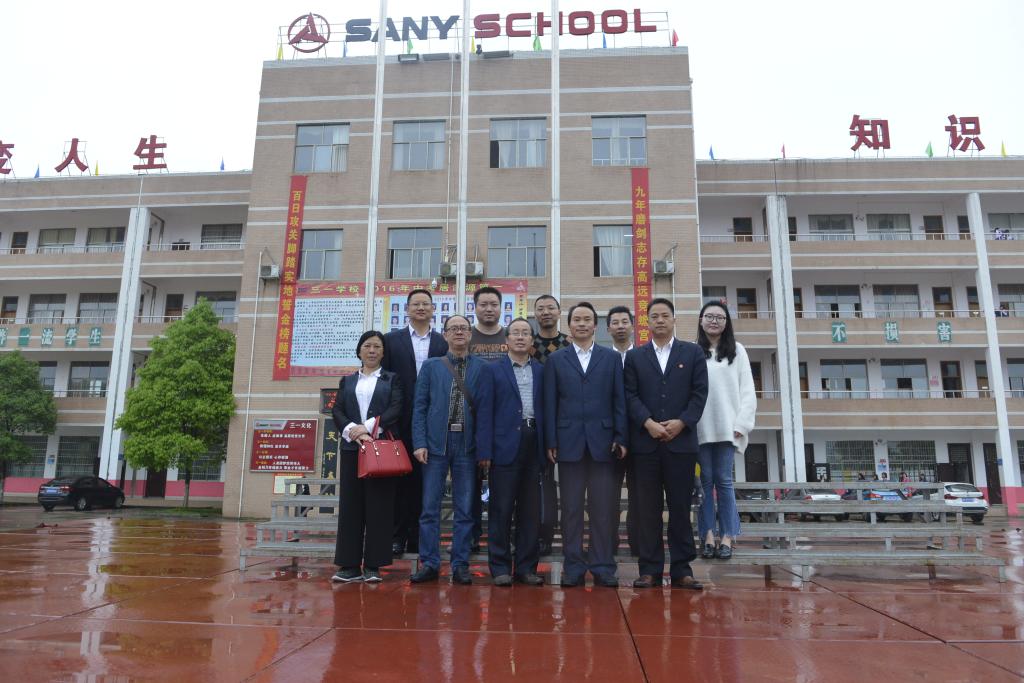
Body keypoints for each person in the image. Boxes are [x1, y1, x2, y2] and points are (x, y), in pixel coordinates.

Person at [624, 298, 708, 588]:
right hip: (645, 445)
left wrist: (682, 422)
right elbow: (629, 395)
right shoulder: (636, 356)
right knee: (647, 510)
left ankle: (682, 570)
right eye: (654, 316)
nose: (659, 320)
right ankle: (649, 569)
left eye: (664, 316)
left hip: (680, 444)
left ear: (674, 320)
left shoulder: (693, 352)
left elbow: (699, 394)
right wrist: (647, 422)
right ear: (646, 322)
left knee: (680, 508)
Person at [544, 301, 628, 587]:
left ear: (595, 325)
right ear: (569, 325)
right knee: (571, 509)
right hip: (568, 443)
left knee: (603, 508)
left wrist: (620, 436)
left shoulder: (610, 358)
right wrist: (551, 440)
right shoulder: (557, 360)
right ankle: (574, 567)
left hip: (603, 444)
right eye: (576, 319)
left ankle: (603, 566)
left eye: (586, 319)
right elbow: (550, 403)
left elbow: (619, 401)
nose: (581, 324)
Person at [410, 315, 486, 585]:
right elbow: (420, 407)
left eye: (463, 328)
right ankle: (429, 563)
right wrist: (419, 442)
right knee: (429, 508)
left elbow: (486, 410)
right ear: (444, 335)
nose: (459, 332)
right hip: (435, 444)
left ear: (470, 334)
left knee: (464, 509)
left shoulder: (482, 368)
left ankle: (460, 564)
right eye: (453, 329)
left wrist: (484, 449)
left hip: (468, 445)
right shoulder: (431, 366)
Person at [475, 318, 545, 586]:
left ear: (531, 340)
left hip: (534, 443)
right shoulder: (492, 370)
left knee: (530, 512)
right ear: (506, 340)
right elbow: (484, 412)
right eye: (515, 333)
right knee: (501, 510)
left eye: (525, 333)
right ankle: (500, 567)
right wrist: (485, 450)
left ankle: (526, 568)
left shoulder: (541, 370)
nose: (520, 337)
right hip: (503, 446)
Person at [330, 331, 405, 583]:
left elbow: (396, 408)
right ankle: (349, 565)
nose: (372, 350)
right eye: (367, 346)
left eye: (377, 347)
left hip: (380, 448)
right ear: (359, 351)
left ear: (383, 353)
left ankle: (373, 565)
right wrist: (355, 431)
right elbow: (337, 410)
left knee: (379, 506)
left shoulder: (392, 379)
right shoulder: (348, 380)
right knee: (350, 507)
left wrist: (369, 427)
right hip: (353, 448)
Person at [382, 288, 448, 557]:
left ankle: (420, 539)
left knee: (426, 482)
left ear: (433, 309)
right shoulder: (391, 341)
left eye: (426, 304)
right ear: (407, 309)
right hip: (399, 420)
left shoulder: (443, 342)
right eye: (416, 304)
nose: (421, 308)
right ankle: (397, 536)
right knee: (400, 480)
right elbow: (384, 380)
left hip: (433, 421)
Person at [695, 301, 756, 561]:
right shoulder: (692, 351)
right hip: (700, 428)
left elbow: (748, 390)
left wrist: (742, 424)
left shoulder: (737, 351)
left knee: (724, 481)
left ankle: (728, 536)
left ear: (726, 322)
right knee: (704, 483)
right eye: (709, 316)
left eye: (719, 317)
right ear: (700, 320)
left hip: (729, 428)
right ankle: (708, 535)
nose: (714, 321)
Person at [531, 294, 571, 555]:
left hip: (566, 422)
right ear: (535, 314)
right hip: (535, 422)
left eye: (550, 308)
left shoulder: (569, 344)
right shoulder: (528, 344)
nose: (545, 312)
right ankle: (541, 536)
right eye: (540, 309)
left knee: (569, 484)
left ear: (559, 312)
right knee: (540, 483)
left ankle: (568, 537)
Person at [606, 305, 638, 556]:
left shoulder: (644, 356)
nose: (620, 326)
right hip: (611, 439)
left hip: (640, 436)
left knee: (639, 493)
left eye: (624, 322)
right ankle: (609, 541)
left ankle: (637, 541)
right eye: (615, 322)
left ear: (633, 326)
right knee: (609, 493)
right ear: (608, 329)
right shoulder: (603, 359)